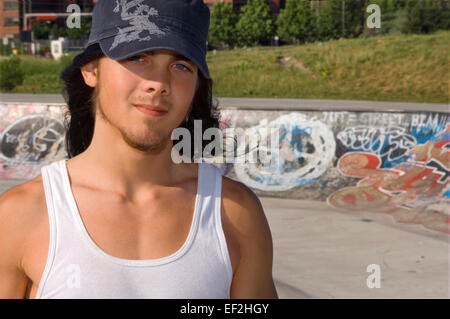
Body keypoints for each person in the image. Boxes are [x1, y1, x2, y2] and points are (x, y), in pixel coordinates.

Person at [0, 0, 278, 299]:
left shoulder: (234, 214)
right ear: (91, 69)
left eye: (181, 65)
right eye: (137, 57)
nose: (158, 83)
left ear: (197, 85)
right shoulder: (20, 216)